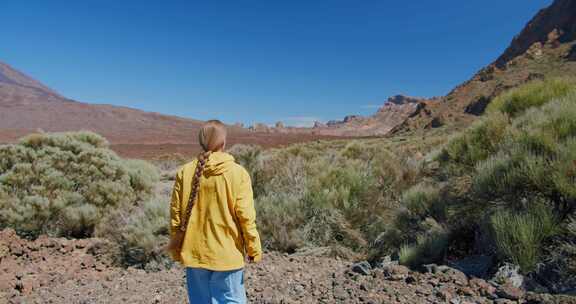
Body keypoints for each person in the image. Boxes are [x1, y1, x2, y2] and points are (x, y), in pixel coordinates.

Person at [168, 120, 262, 304]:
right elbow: (246, 217)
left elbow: (176, 217)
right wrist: (253, 247)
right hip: (227, 255)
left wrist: (177, 249)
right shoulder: (238, 173)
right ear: (223, 142)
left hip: (194, 255)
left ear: (201, 142)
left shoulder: (184, 172)